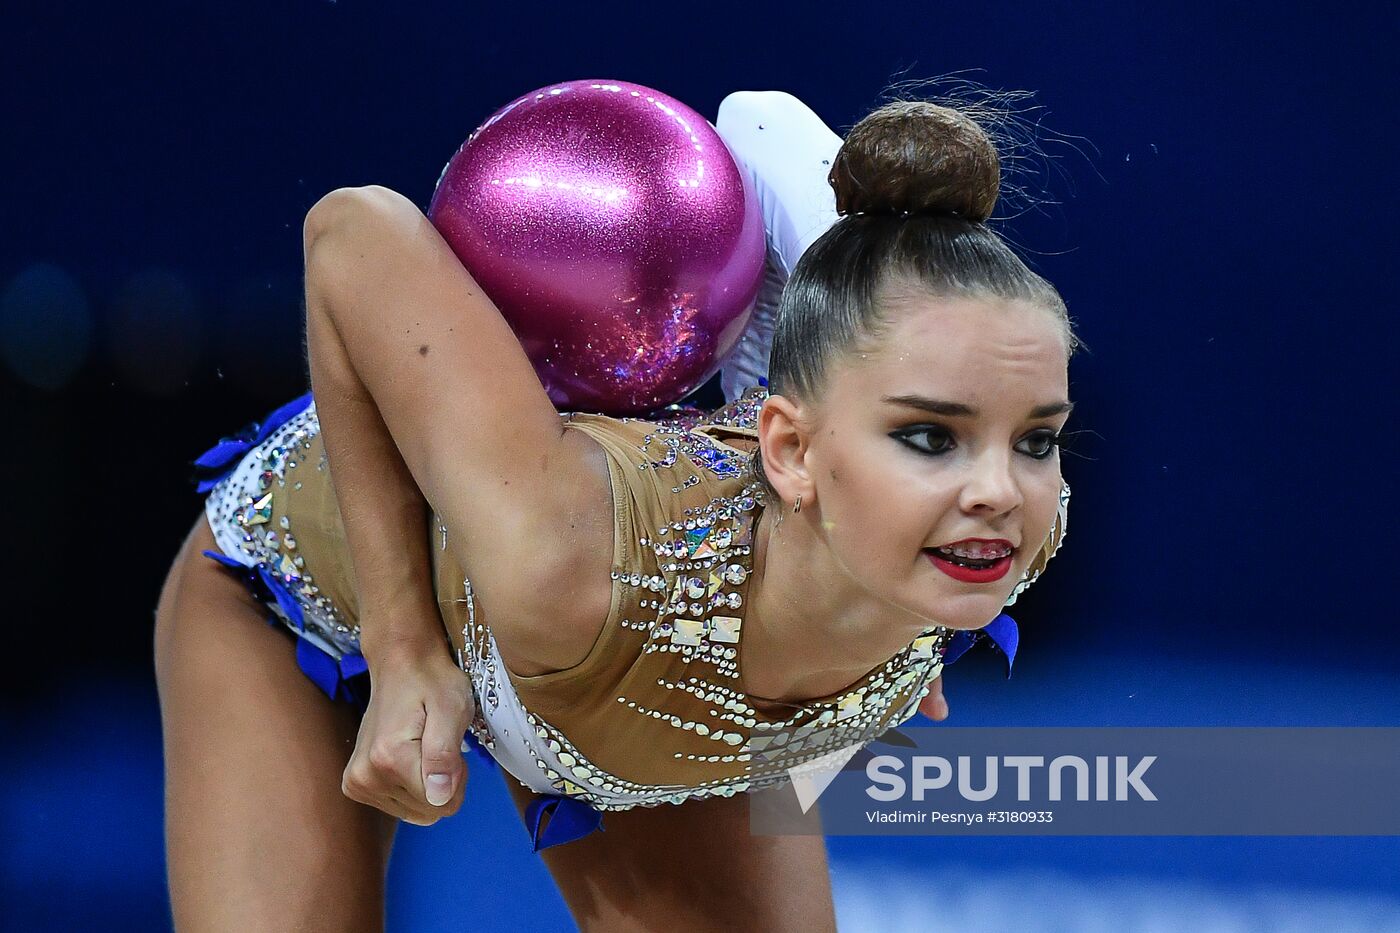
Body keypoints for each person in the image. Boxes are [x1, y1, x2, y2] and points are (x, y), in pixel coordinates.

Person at [155, 89, 1076, 931]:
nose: (998, 490)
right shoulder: (583, 563)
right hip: (290, 603)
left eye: (1037, 438)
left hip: (624, 663)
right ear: (792, 452)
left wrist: (894, 623)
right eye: (928, 438)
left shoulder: (1011, 529)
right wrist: (403, 653)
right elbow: (354, 231)